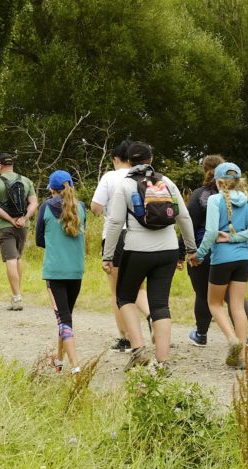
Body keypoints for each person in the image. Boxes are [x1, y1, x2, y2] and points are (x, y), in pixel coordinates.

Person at [102, 142, 196, 372]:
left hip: (137, 250)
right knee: (160, 304)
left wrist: (108, 255)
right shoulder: (167, 182)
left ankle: (138, 349)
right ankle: (162, 363)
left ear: (129, 161)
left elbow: (114, 222)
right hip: (168, 250)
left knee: (125, 297)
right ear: (151, 160)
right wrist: (191, 248)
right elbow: (183, 217)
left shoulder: (124, 185)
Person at [190, 163, 248, 369]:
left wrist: (199, 254)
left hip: (221, 260)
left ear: (218, 182)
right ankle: (242, 356)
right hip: (243, 259)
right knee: (237, 305)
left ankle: (233, 341)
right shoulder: (247, 200)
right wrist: (235, 237)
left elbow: (211, 233)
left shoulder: (214, 199)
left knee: (214, 304)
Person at [91, 140, 152, 352]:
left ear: (117, 159)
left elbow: (96, 208)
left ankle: (125, 338)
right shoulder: (145, 177)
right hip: (142, 236)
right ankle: (151, 315)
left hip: (116, 236)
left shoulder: (110, 177)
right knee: (139, 287)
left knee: (117, 291)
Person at [36, 170, 87, 374]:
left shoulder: (46, 207)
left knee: (64, 320)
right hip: (75, 271)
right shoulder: (81, 207)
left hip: (55, 272)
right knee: (66, 317)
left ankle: (75, 368)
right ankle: (59, 360)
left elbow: (40, 239)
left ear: (51, 189)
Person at [0, 152, 39, 310]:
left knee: (10, 259)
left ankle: (16, 298)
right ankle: (17, 293)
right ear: (12, 165)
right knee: (18, 258)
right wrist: (24, 218)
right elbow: (34, 203)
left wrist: (10, 220)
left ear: (0, 165)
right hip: (24, 225)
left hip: (5, 226)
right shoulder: (26, 180)